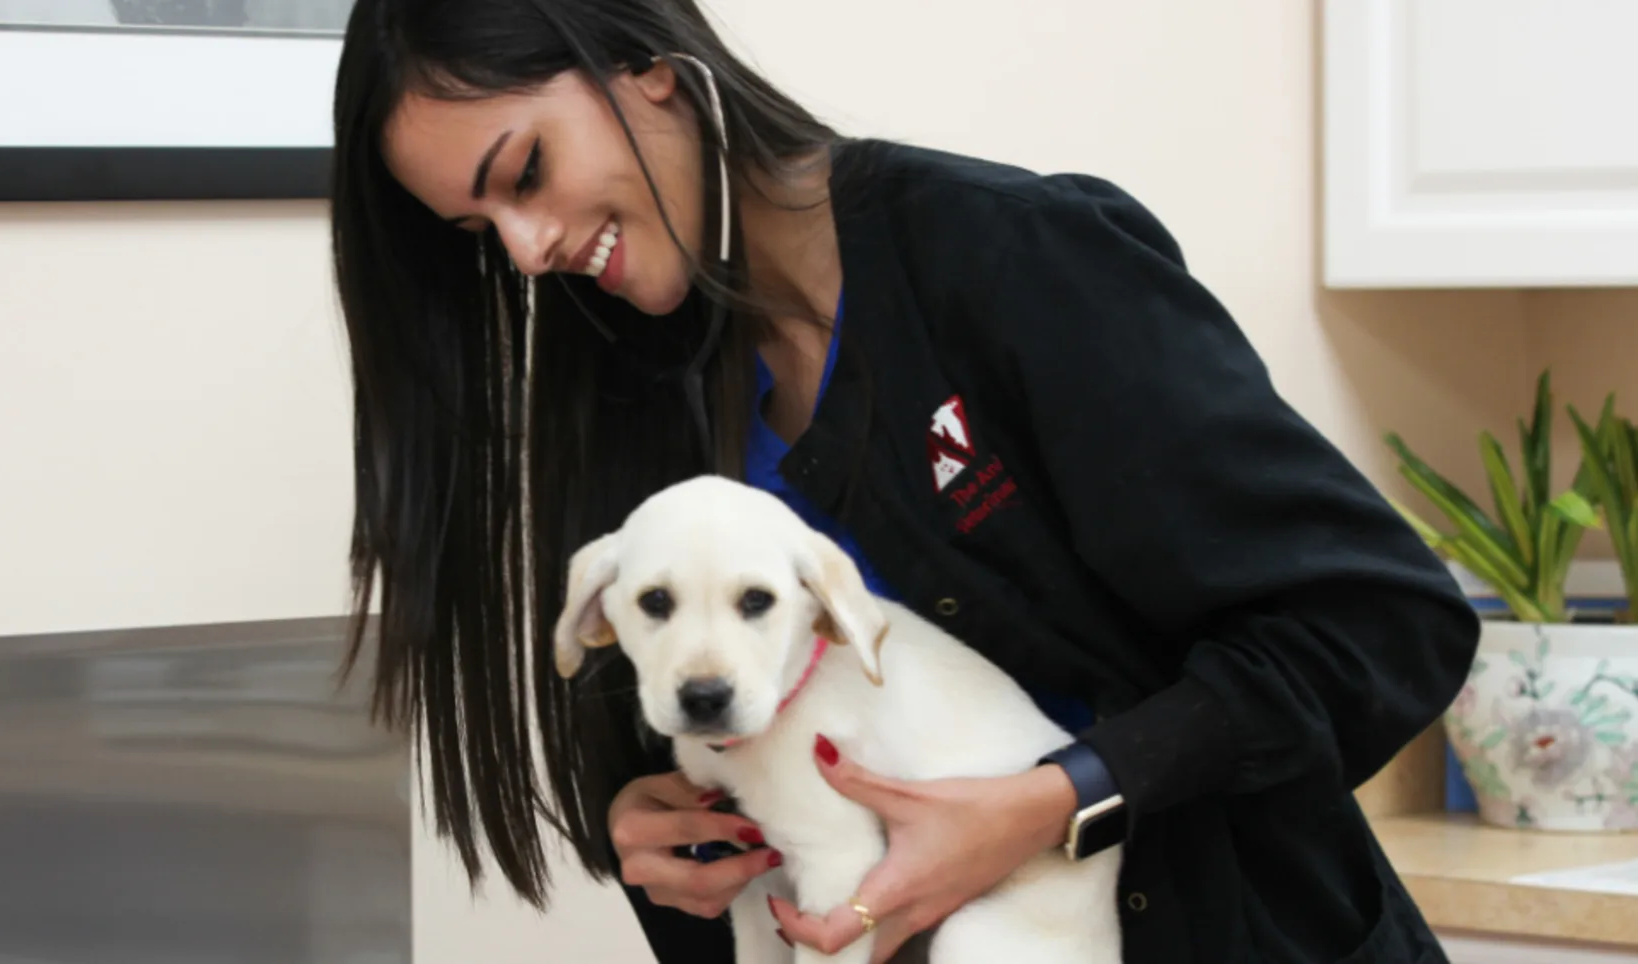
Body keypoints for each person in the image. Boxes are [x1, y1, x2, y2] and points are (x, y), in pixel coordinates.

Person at [325, 0, 1481, 962]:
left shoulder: (1013, 258)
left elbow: (1379, 623)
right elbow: (741, 847)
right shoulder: (639, 405)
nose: (527, 251)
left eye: (524, 172)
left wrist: (1053, 799)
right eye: (483, 233)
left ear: (645, 69)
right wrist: (663, 839)